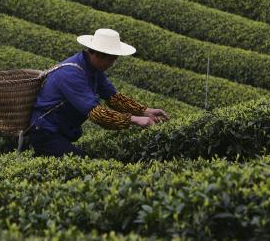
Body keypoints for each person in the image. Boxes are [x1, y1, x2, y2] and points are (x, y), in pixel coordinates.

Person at [28, 28, 169, 158]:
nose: (112, 64)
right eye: (111, 59)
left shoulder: (93, 69)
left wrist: (145, 111)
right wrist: (135, 119)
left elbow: (113, 97)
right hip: (46, 131)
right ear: (98, 55)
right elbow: (97, 114)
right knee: (82, 162)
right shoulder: (71, 74)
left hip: (62, 131)